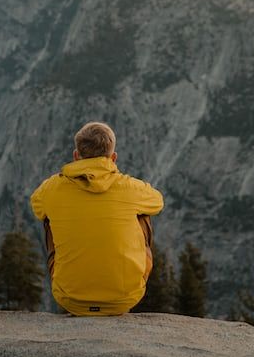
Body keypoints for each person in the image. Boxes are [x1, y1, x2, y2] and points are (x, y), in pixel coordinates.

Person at [30, 121, 164, 316]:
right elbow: (158, 201)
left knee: (48, 215)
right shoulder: (130, 187)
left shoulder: (52, 188)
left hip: (69, 298)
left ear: (76, 156)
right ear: (113, 158)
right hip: (125, 298)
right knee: (143, 213)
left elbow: (36, 206)